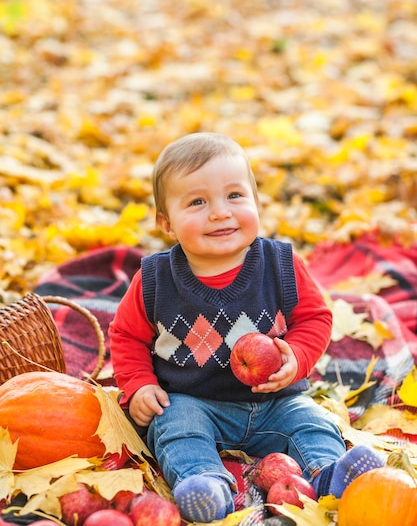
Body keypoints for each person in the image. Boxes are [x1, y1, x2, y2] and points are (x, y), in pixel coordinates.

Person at [109, 132, 384, 523]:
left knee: (312, 422)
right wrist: (139, 384)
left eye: (235, 196)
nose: (220, 212)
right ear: (166, 224)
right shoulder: (155, 279)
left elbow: (315, 317)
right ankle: (204, 484)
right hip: (193, 400)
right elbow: (126, 334)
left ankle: (330, 477)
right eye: (198, 202)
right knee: (175, 428)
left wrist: (298, 357)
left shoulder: (281, 264)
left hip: (275, 401)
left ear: (257, 203)